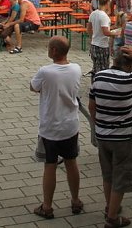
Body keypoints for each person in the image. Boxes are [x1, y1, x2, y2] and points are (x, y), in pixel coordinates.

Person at [89, 46, 132, 227]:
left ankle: (109, 207)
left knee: (108, 175)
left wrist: (98, 125)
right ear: (131, 63)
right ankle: (112, 218)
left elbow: (92, 105)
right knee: (121, 177)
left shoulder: (99, 76)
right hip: (123, 137)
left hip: (103, 135)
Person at [30, 37, 84, 219]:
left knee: (50, 165)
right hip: (70, 124)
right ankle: (76, 200)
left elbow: (33, 87)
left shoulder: (46, 71)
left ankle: (47, 206)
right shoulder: (76, 68)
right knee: (71, 162)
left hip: (51, 126)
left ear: (54, 51)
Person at [89, 0, 120, 79]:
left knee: (95, 67)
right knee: (103, 69)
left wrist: (93, 37)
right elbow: (106, 32)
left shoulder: (93, 13)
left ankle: (94, 84)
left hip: (94, 44)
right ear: (107, 3)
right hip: (102, 46)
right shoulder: (104, 16)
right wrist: (116, 33)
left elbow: (89, 28)